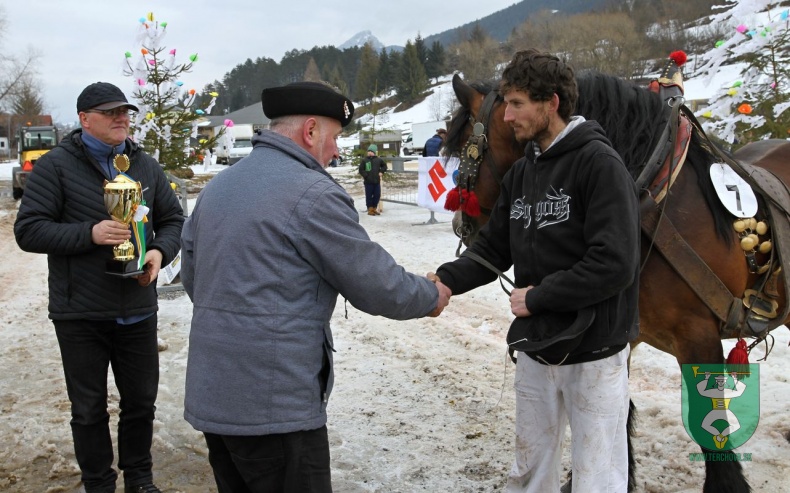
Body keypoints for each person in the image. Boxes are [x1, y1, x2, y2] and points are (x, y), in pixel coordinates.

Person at [180, 81, 451, 493]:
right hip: (276, 406)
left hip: (215, 396)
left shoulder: (219, 187)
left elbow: (194, 279)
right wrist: (432, 295)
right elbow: (375, 283)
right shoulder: (313, 194)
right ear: (310, 131)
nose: (337, 151)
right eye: (336, 137)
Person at [434, 49, 640, 492]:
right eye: (506, 103)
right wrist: (445, 280)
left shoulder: (600, 164)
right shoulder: (522, 173)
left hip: (595, 349)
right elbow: (493, 248)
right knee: (529, 470)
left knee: (597, 474)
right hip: (536, 345)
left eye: (517, 103)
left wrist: (538, 297)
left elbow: (615, 262)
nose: (506, 116)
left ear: (552, 103)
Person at [14, 82, 184, 493]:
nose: (121, 119)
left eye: (125, 112)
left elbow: (173, 219)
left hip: (138, 306)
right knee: (89, 409)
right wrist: (89, 234)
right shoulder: (55, 166)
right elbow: (28, 231)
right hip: (81, 311)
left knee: (141, 404)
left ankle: (140, 479)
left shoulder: (143, 164)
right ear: (85, 119)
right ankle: (98, 484)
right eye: (110, 113)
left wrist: (159, 253)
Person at [358, 143, 387, 215]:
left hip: (376, 181)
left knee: (377, 195)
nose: (369, 153)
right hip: (368, 182)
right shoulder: (365, 160)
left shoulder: (378, 160)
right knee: (369, 196)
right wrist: (366, 175)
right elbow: (361, 170)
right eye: (368, 151)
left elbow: (384, 166)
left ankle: (374, 208)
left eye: (371, 151)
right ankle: (370, 209)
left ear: (374, 152)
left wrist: (381, 171)